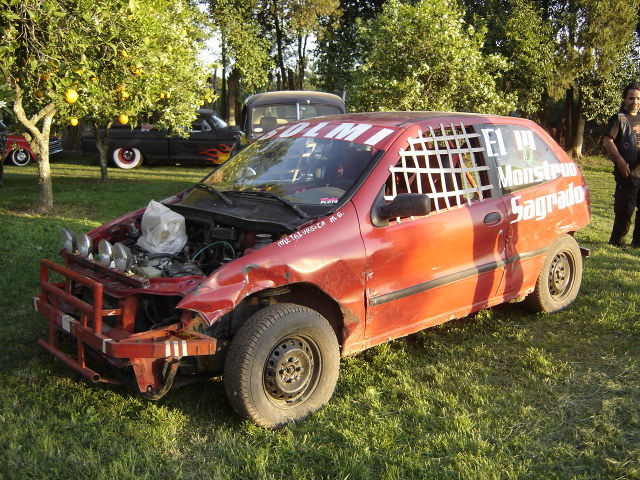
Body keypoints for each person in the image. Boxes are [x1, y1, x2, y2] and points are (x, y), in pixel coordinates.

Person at [603, 82, 640, 248]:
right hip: (626, 171)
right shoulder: (618, 118)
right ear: (624, 99)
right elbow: (607, 141)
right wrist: (620, 161)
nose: (635, 101)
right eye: (631, 98)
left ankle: (637, 243)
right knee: (625, 208)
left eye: (638, 98)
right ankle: (617, 240)